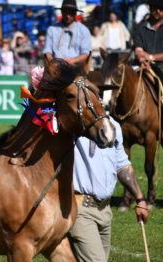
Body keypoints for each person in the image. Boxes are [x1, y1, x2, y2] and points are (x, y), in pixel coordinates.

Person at [70, 117, 149, 262]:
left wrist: (140, 199)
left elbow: (122, 165)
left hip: (105, 211)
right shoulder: (72, 124)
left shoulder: (114, 126)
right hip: (80, 209)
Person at [44, 0, 91, 66]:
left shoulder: (84, 30)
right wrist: (53, 62)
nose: (68, 16)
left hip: (76, 67)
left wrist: (71, 61)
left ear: (75, 13)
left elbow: (85, 53)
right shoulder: (52, 29)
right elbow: (47, 51)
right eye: (66, 12)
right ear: (61, 12)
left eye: (71, 13)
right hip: (55, 66)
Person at [133, 0, 163, 82]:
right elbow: (138, 50)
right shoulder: (140, 28)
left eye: (161, 9)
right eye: (155, 8)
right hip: (142, 65)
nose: (158, 11)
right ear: (150, 8)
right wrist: (142, 59)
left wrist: (150, 57)